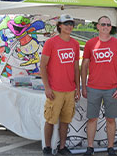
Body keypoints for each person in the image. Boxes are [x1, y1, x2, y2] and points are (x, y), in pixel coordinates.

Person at [81, 16, 117, 156]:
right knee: (92, 118)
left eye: (108, 24)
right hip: (93, 87)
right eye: (103, 24)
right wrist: (83, 86)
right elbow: (84, 66)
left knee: (111, 119)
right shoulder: (90, 44)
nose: (106, 26)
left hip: (112, 88)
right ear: (97, 26)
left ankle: (110, 147)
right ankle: (90, 147)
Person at [40, 14, 81, 156]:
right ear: (60, 26)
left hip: (70, 90)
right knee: (50, 120)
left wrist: (78, 88)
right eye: (66, 23)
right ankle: (47, 147)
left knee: (65, 120)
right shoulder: (51, 43)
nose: (69, 26)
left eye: (71, 24)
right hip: (55, 90)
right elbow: (43, 66)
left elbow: (76, 67)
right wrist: (47, 87)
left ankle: (62, 147)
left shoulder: (75, 44)